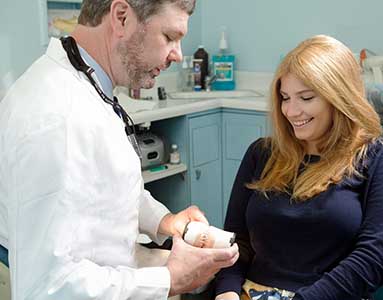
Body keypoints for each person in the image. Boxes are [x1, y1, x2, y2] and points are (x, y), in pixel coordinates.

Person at [0, 0, 239, 299]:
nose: (178, 55)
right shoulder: (56, 118)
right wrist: (170, 280)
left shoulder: (88, 83)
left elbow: (105, 186)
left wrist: (164, 222)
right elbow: (47, 287)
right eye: (170, 37)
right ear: (122, 18)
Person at [214, 35, 383, 300]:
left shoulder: (380, 158)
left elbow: (375, 259)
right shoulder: (261, 153)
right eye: (285, 98)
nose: (291, 111)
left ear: (338, 98)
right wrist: (226, 292)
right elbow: (236, 240)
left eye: (305, 98)